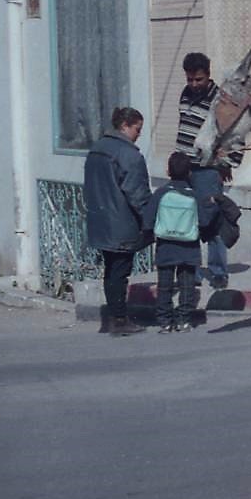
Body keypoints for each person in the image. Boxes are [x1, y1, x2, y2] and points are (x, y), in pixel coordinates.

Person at [83, 107, 152, 336]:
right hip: (122, 222)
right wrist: (150, 220)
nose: (139, 134)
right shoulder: (129, 155)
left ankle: (113, 317)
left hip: (100, 219)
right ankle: (119, 319)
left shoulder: (97, 149)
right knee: (120, 272)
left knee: (111, 270)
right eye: (137, 129)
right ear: (124, 126)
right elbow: (137, 193)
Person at [176, 52, 242, 290]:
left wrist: (226, 163)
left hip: (207, 169)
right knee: (188, 221)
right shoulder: (185, 94)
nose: (194, 84)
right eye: (190, 79)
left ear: (208, 75)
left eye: (199, 79)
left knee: (213, 220)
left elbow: (235, 134)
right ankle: (191, 272)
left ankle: (218, 272)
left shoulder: (221, 100)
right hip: (185, 170)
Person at [143, 152, 218, 333]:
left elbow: (147, 220)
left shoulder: (160, 193)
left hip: (165, 246)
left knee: (164, 285)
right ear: (190, 173)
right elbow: (204, 221)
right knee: (187, 285)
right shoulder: (195, 195)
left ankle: (165, 321)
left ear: (168, 171)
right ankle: (184, 320)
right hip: (189, 247)